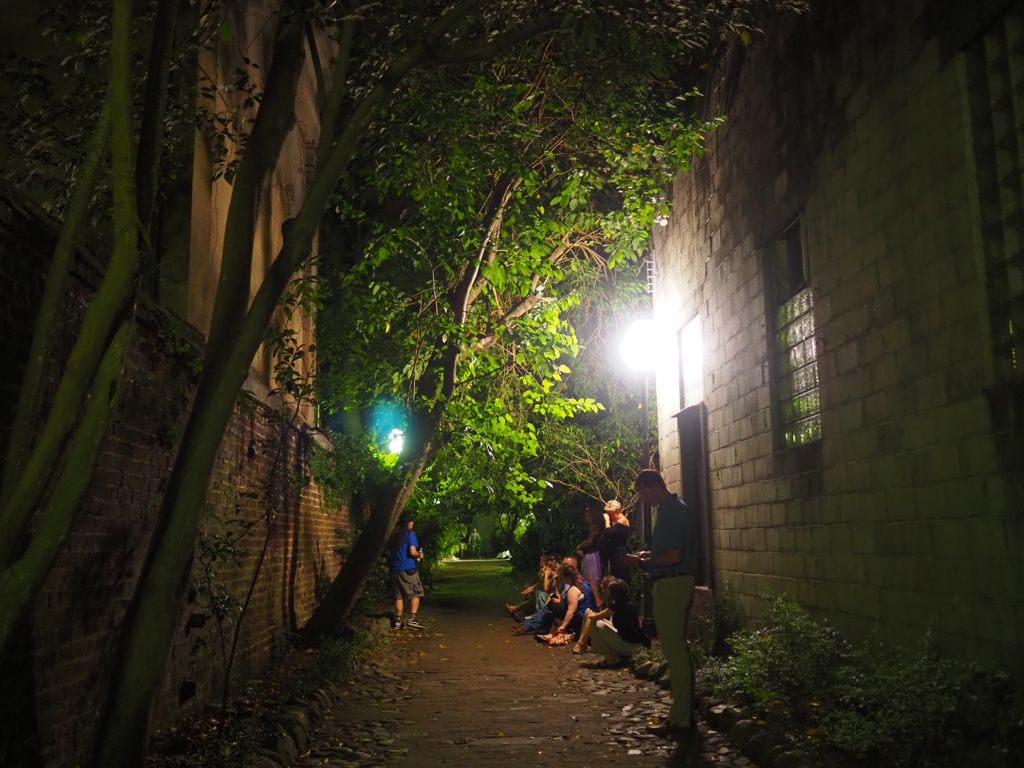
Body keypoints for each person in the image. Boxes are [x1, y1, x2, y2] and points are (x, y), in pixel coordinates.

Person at [624, 469, 698, 739]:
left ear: (654, 486)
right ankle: (681, 713)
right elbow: (667, 551)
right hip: (672, 582)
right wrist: (648, 555)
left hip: (672, 583)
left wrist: (642, 562)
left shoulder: (673, 511)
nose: (644, 500)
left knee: (675, 652)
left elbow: (673, 556)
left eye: (644, 493)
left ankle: (681, 719)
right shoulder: (672, 509)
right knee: (676, 650)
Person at [583, 577, 648, 667]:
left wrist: (589, 613)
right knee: (598, 621)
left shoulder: (617, 605)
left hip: (630, 645)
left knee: (595, 623)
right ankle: (582, 643)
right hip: (636, 642)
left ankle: (610, 658)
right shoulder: (627, 603)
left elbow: (595, 617)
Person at [388, 510, 425, 629]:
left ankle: (398, 622)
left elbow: (388, 552)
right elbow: (412, 552)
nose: (413, 523)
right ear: (407, 522)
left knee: (398, 596)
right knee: (416, 593)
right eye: (411, 521)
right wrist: (420, 555)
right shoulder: (410, 534)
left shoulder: (394, 535)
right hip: (408, 569)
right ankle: (412, 619)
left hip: (395, 569)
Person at [576, 507, 606, 605]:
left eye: (587, 516)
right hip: (588, 555)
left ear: (593, 517)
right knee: (588, 579)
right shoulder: (590, 527)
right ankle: (592, 602)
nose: (586, 518)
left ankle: (598, 602)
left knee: (592, 580)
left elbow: (589, 541)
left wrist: (579, 546)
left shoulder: (594, 527)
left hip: (592, 555)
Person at [602, 499, 632, 581]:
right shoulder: (617, 523)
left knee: (620, 578)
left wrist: (607, 521)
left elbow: (608, 533)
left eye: (610, 514)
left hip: (620, 555)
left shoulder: (623, 521)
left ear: (617, 511)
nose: (610, 516)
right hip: (614, 554)